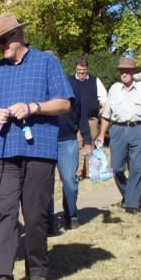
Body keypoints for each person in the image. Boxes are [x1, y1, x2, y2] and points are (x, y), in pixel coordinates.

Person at [0, 13, 72, 280]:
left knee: (35, 213)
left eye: (3, 40)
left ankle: (37, 270)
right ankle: (3, 276)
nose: (0, 47)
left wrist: (34, 107)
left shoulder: (46, 62)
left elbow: (65, 102)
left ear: (19, 35)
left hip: (38, 149)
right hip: (3, 151)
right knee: (4, 212)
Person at [96, 56, 141, 213]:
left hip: (138, 129)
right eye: (121, 71)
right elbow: (107, 115)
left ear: (133, 72)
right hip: (118, 130)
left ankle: (131, 204)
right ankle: (129, 193)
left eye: (127, 71)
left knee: (137, 168)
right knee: (116, 168)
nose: (124, 74)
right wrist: (102, 134)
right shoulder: (114, 89)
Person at [57, 60, 94, 228]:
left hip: (67, 140)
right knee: (44, 183)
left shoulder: (72, 86)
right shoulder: (38, 87)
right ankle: (48, 219)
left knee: (70, 180)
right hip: (43, 142)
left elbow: (81, 116)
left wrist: (87, 140)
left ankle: (71, 215)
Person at [71, 58, 105, 179]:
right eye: (79, 70)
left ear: (87, 70)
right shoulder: (69, 81)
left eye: (84, 70)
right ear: (75, 69)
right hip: (76, 120)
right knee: (79, 145)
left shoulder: (95, 81)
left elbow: (104, 98)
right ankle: (80, 172)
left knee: (91, 144)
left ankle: (93, 171)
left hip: (91, 119)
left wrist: (103, 107)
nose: (81, 72)